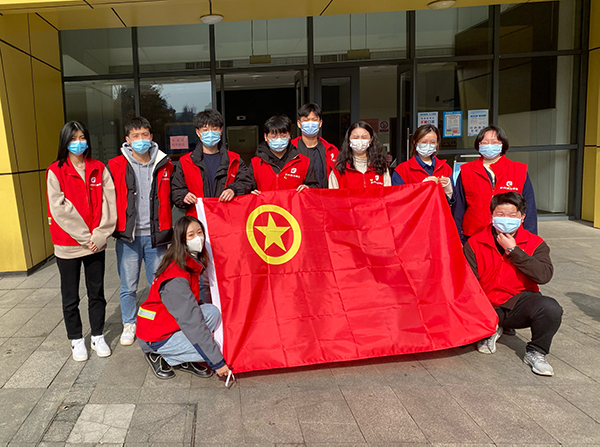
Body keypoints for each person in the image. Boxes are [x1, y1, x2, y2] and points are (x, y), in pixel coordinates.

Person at [464, 192, 562, 376]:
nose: (506, 219)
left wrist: (514, 250)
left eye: (512, 215)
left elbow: (544, 275)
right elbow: (468, 282)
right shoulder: (475, 242)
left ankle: (536, 352)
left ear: (522, 217)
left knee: (551, 308)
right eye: (500, 214)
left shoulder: (535, 243)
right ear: (492, 215)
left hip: (518, 303)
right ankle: (490, 328)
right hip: (486, 306)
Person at [46, 121, 117, 361]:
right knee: (71, 296)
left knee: (97, 292)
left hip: (96, 243)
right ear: (65, 142)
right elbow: (59, 209)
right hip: (68, 245)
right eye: (73, 138)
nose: (78, 143)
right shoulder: (55, 171)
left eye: (82, 138)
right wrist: (86, 238)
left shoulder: (99, 168)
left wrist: (100, 235)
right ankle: (76, 339)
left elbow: (109, 202)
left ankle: (97, 335)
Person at [136, 216, 232, 380]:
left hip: (167, 323)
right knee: (219, 348)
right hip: (155, 336)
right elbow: (192, 322)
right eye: (191, 235)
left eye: (200, 232)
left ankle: (183, 355)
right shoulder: (176, 278)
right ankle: (159, 355)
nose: (198, 238)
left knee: (212, 312)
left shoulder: (187, 262)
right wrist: (218, 362)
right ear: (181, 240)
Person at [108, 117, 174, 347]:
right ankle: (129, 323)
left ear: (151, 137)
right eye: (135, 136)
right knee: (129, 285)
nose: (140, 139)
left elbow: (174, 194)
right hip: (129, 237)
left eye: (144, 134)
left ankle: (156, 319)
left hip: (156, 235)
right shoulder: (115, 165)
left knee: (158, 283)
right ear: (127, 139)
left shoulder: (165, 163)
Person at [453, 125, 537, 244]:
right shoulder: (466, 171)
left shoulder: (518, 170)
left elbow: (529, 207)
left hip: (510, 235)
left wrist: (531, 239)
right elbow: (459, 207)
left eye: (494, 142)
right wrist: (457, 238)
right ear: (479, 145)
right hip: (474, 234)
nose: (489, 145)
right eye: (485, 142)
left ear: (502, 144)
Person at [171, 109, 253, 217]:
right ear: (198, 132)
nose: (210, 133)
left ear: (221, 130)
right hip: (197, 220)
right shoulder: (185, 162)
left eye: (214, 129)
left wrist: (233, 190)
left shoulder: (235, 160)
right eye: (205, 130)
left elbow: (247, 184)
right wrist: (183, 196)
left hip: (228, 218)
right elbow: (176, 190)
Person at [250, 114, 319, 194]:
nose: (279, 139)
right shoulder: (256, 163)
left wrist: (308, 188)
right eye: (274, 136)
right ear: (265, 137)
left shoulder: (304, 162)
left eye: (283, 135)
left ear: (289, 136)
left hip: (294, 202)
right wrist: (251, 194)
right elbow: (246, 189)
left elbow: (315, 189)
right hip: (266, 202)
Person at [392, 124, 453, 200]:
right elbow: (397, 200)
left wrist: (449, 193)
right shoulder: (402, 170)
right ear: (415, 142)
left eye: (433, 142)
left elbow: (454, 201)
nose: (428, 145)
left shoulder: (445, 168)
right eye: (424, 142)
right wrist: (421, 188)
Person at [329, 121, 391, 189]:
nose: (360, 141)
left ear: (371, 140)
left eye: (364, 137)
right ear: (349, 140)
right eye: (355, 137)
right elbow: (333, 195)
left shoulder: (381, 167)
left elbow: (388, 194)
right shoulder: (338, 169)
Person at [290, 103, 339, 188]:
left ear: (320, 123)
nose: (310, 123)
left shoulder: (331, 150)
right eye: (306, 120)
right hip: (298, 196)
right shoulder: (290, 149)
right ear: (299, 123)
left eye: (314, 120)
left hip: (324, 195)